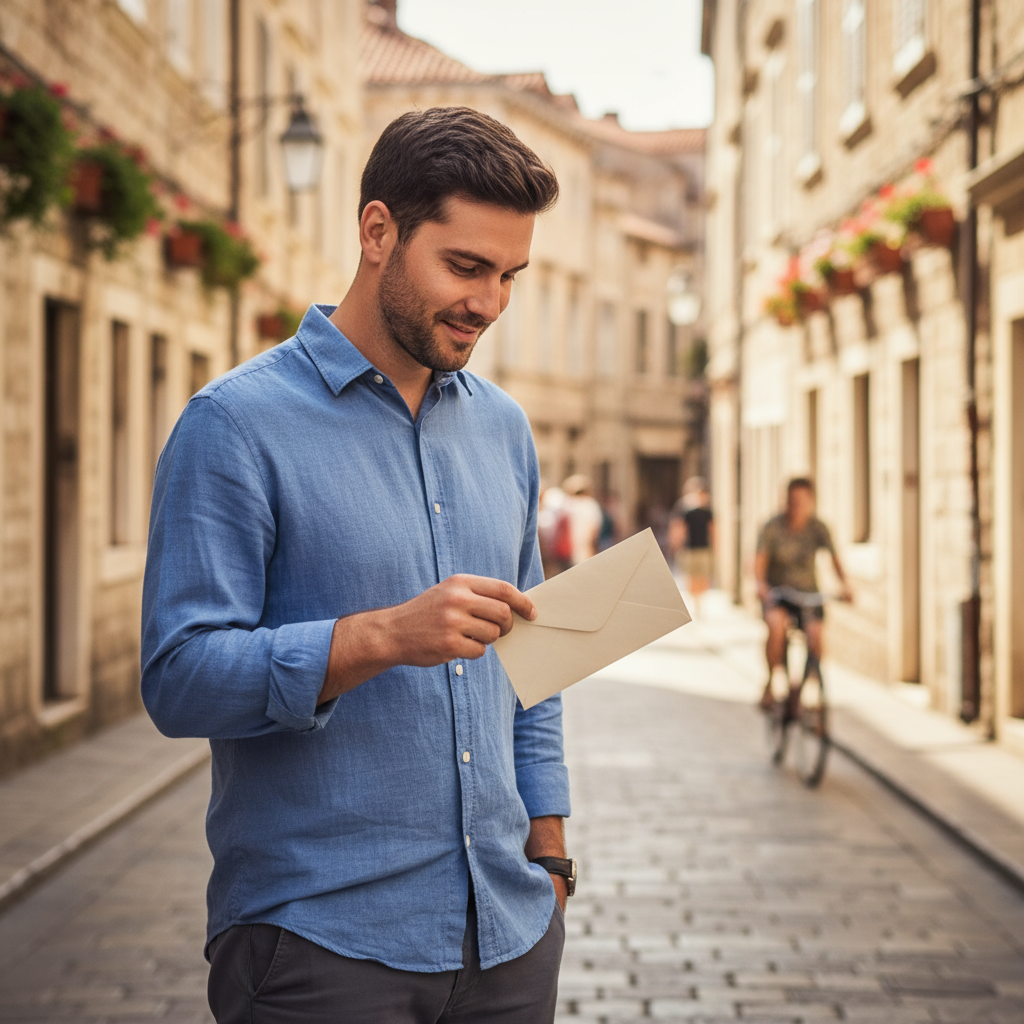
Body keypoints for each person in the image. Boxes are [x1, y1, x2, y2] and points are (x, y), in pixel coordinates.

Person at [142, 107, 574, 1024]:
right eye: (466, 266)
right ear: (379, 232)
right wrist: (379, 637)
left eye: (509, 276)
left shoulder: (505, 429)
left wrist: (549, 850)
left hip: (508, 940)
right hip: (320, 948)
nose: (490, 303)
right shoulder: (233, 426)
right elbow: (178, 680)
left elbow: (536, 659)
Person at [754, 477, 852, 710]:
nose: (797, 506)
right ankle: (771, 679)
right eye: (793, 500)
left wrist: (846, 585)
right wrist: (761, 586)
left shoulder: (818, 528)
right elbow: (760, 562)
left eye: (803, 501)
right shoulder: (773, 527)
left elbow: (835, 559)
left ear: (811, 502)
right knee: (776, 627)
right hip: (780, 594)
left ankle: (804, 687)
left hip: (809, 594)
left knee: (816, 639)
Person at [668, 476, 714, 607]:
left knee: (700, 576)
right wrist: (676, 545)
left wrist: (675, 545)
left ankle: (697, 601)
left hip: (701, 547)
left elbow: (712, 529)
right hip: (692, 547)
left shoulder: (706, 511)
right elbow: (680, 529)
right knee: (693, 576)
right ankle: (696, 601)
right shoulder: (686, 510)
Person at [560, 474, 603, 566]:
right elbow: (594, 529)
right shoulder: (590, 504)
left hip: (566, 550)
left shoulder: (565, 504)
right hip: (583, 549)